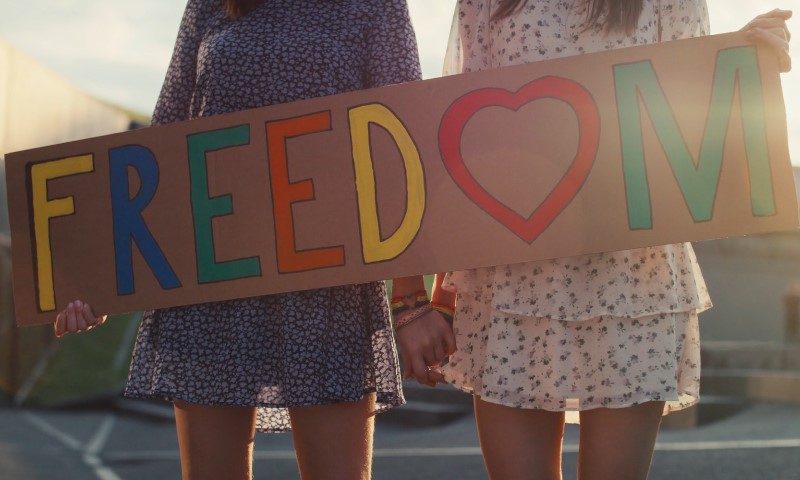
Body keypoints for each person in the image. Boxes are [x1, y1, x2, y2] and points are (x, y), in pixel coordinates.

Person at [51, 0, 455, 479]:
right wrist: (105, 276)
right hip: (213, 289)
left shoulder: (373, 5)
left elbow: (399, 137)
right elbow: (163, 139)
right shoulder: (210, 4)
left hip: (328, 293)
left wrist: (409, 299)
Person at [395, 1, 793, 479]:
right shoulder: (485, 3)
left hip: (633, 287)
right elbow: (464, 156)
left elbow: (690, 126)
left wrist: (743, 60)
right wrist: (434, 302)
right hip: (509, 289)